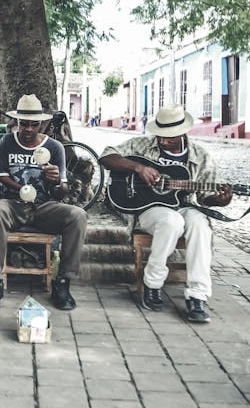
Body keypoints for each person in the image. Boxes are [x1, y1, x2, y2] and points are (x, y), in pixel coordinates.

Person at [98, 104, 232, 323]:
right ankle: (153, 283)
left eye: (168, 137)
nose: (162, 141)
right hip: (150, 210)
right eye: (160, 135)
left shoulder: (201, 156)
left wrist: (219, 200)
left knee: (200, 223)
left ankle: (198, 295)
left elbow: (205, 198)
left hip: (186, 206)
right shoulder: (142, 145)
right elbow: (106, 157)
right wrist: (137, 168)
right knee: (172, 220)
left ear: (182, 132)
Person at [0, 94, 87, 311]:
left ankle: (63, 282)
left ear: (42, 124)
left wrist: (57, 180)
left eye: (33, 124)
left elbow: (61, 193)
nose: (28, 129)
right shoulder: (7, 142)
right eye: (23, 124)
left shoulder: (55, 148)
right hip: (13, 204)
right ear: (16, 122)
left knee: (77, 215)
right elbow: (0, 174)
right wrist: (20, 189)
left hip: (44, 207)